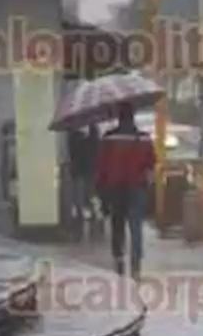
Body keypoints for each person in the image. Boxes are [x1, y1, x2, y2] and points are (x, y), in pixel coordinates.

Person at [94, 104, 156, 278]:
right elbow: (151, 165)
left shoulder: (109, 138)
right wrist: (148, 185)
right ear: (133, 118)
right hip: (137, 187)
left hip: (115, 187)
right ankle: (136, 262)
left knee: (117, 222)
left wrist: (99, 187)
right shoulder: (144, 138)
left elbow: (102, 166)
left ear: (119, 118)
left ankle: (119, 255)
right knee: (136, 225)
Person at [66, 125, 99, 231]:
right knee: (92, 194)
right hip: (91, 170)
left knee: (78, 196)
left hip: (78, 172)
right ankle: (95, 213)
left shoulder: (73, 140)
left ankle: (80, 216)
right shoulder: (93, 141)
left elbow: (72, 155)